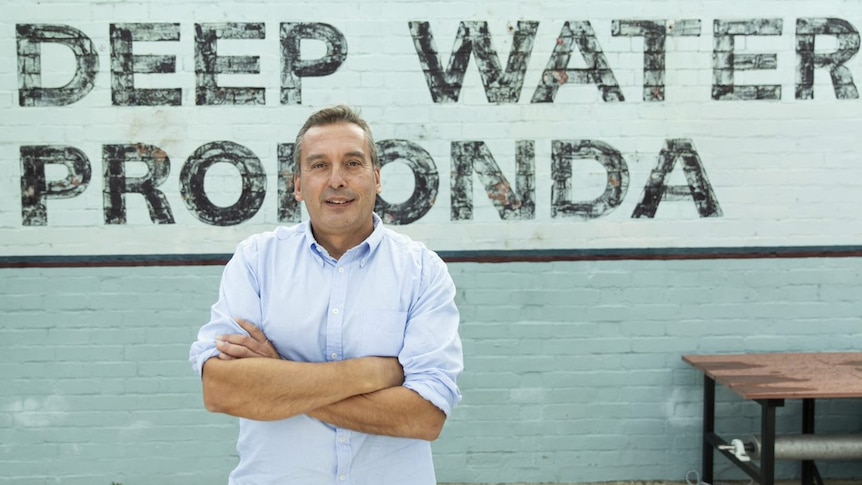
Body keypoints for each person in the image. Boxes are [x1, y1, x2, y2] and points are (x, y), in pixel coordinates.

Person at [189, 105, 464, 484]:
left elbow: (424, 417)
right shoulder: (257, 260)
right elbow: (221, 389)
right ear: (298, 185)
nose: (337, 179)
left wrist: (278, 377)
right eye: (319, 165)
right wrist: (374, 373)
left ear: (377, 178)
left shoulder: (422, 271)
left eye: (353, 163)